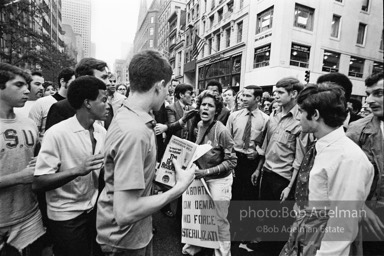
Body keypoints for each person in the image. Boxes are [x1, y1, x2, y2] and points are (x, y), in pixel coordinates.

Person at [96, 50, 195, 255]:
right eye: (168, 87)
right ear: (159, 86)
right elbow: (126, 212)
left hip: (134, 233)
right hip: (124, 239)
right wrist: (179, 187)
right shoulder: (134, 131)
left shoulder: (130, 114)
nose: (168, 93)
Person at [280, 84, 374, 256]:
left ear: (315, 114)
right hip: (303, 235)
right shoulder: (319, 146)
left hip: (323, 245)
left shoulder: (348, 158)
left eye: (301, 111)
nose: (298, 117)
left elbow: (344, 221)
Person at [33, 76, 108, 256]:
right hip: (66, 217)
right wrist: (77, 170)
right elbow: (38, 182)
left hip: (93, 210)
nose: (108, 105)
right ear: (87, 103)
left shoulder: (102, 131)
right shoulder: (57, 133)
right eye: (104, 100)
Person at [182, 90, 237, 256]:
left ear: (217, 110)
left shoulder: (222, 131)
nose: (205, 108)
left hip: (219, 180)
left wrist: (206, 171)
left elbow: (232, 162)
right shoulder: (198, 125)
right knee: (199, 213)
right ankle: (194, 246)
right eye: (203, 105)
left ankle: (222, 253)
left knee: (220, 219)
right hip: (201, 177)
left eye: (210, 105)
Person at [0, 63, 45, 255]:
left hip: (29, 217)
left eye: (27, 85)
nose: (27, 91)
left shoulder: (28, 123)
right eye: (19, 85)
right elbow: (24, 175)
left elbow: (37, 159)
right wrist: (19, 177)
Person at [346, 72, 384, 255]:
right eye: (368, 93)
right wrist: (359, 205)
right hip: (371, 221)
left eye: (378, 93)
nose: (369, 100)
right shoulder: (357, 130)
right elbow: (341, 177)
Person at [45, 57, 110, 131]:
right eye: (104, 77)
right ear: (86, 78)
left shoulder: (108, 108)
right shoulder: (61, 109)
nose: (108, 83)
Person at [29, 67, 75, 139]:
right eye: (74, 82)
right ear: (63, 81)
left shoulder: (79, 105)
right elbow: (32, 132)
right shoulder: (42, 102)